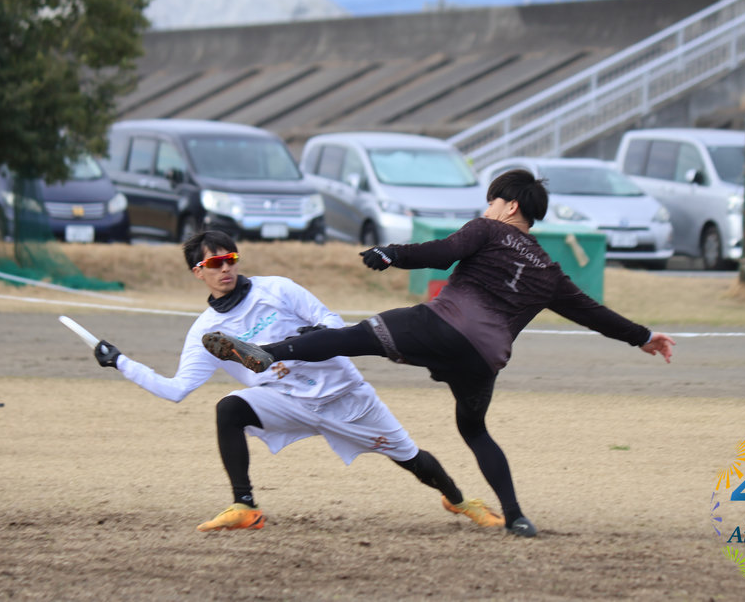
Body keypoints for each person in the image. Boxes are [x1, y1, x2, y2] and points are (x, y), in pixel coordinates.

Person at [203, 169, 676, 538]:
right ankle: (516, 516)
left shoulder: (489, 229)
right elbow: (592, 313)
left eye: (492, 201)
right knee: (475, 430)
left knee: (352, 337)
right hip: (484, 359)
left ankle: (266, 352)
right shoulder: (551, 272)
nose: (487, 208)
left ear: (509, 205)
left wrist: (391, 253)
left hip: (441, 327)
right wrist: (642, 336)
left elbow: (443, 252)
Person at [92, 229, 503, 533]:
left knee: (411, 458)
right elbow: (177, 390)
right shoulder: (205, 333)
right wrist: (121, 363)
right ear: (198, 272)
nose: (226, 268)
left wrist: (313, 336)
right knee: (229, 409)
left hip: (345, 396)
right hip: (288, 400)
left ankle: (460, 501)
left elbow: (333, 322)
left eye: (230, 258)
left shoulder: (277, 289)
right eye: (214, 264)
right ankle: (244, 506)